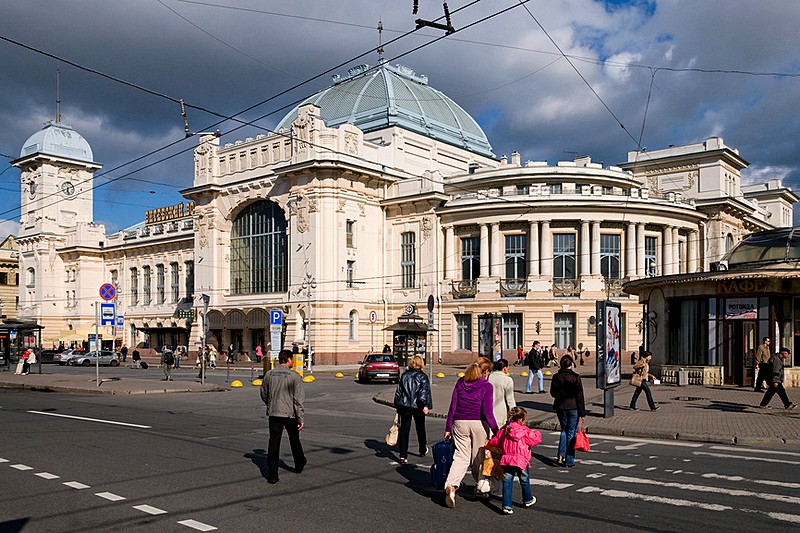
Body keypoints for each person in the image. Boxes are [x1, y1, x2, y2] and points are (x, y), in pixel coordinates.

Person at [443, 357, 499, 508]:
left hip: (459, 423)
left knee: (461, 456)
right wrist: (496, 431)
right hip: (479, 424)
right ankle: (481, 485)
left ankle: (452, 485)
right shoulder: (487, 386)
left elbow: (452, 406)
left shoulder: (461, 382)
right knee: (478, 457)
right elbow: (487, 412)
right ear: (486, 372)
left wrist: (448, 427)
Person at [260, 349, 306, 484]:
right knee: (294, 441)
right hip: (290, 414)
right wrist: (300, 417)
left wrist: (270, 404)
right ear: (289, 360)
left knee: (274, 443)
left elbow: (263, 393)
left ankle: (272, 474)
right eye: (291, 360)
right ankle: (299, 464)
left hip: (274, 413)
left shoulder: (269, 374)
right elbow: (298, 399)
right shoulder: (294, 376)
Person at [487, 406, 542, 514]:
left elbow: (496, 441)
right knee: (524, 480)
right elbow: (535, 440)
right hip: (521, 460)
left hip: (507, 459)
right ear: (521, 420)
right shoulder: (525, 431)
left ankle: (507, 505)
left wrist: (489, 443)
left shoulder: (505, 429)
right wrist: (535, 432)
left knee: (507, 481)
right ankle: (528, 499)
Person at [393, 355, 433, 463]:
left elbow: (398, 392)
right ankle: (422, 449)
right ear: (421, 364)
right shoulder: (423, 377)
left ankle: (403, 455)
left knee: (404, 430)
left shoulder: (405, 376)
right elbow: (423, 393)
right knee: (420, 429)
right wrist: (424, 405)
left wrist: (397, 405)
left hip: (404, 406)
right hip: (418, 407)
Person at [550, 354, 586, 468]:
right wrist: (582, 412)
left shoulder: (556, 377)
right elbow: (580, 395)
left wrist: (560, 396)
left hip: (560, 407)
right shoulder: (576, 377)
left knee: (564, 431)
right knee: (571, 432)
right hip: (573, 407)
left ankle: (560, 456)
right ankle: (569, 460)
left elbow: (553, 393)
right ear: (571, 365)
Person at [489, 358, 516, 426]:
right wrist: (514, 412)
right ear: (504, 368)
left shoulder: (489, 377)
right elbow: (510, 399)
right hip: (501, 410)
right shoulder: (507, 380)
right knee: (500, 433)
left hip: (488, 409)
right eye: (508, 367)